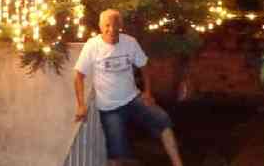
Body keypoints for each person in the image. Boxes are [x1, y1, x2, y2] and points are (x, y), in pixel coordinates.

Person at [74, 9, 184, 166]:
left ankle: (178, 163)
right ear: (100, 27)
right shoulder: (92, 46)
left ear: (121, 26)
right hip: (109, 108)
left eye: (115, 25)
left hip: (133, 99)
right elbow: (78, 75)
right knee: (117, 154)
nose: (111, 29)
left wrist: (147, 92)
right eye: (107, 25)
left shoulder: (130, 42)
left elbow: (144, 66)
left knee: (163, 121)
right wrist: (81, 105)